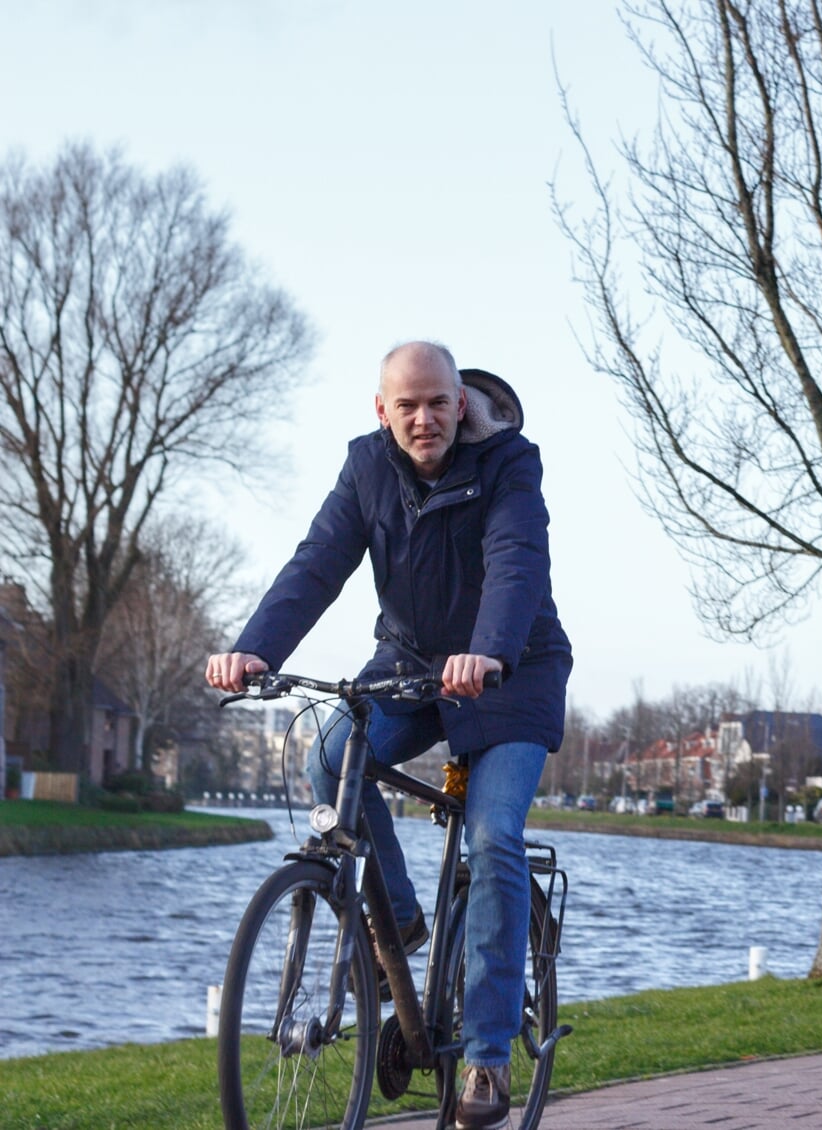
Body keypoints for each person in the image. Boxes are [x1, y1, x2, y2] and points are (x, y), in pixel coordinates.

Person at [206, 341, 570, 1130]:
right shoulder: (367, 469)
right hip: (411, 664)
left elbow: (516, 561)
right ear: (382, 410)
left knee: (494, 839)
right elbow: (317, 565)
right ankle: (396, 917)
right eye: (406, 405)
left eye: (438, 401)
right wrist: (255, 648)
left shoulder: (510, 463)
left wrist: (492, 651)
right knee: (332, 753)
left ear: (461, 402)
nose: (424, 417)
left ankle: (487, 1053)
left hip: (511, 671)